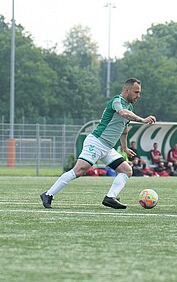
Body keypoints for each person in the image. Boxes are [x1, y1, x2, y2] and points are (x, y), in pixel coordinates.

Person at [40, 78, 156, 210]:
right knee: (79, 170)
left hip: (107, 147)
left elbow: (124, 129)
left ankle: (110, 197)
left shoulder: (130, 107)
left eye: (139, 93)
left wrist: (124, 148)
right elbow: (123, 113)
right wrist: (142, 120)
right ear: (127, 90)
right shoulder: (117, 101)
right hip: (96, 142)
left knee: (126, 170)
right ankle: (48, 194)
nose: (138, 96)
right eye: (136, 92)